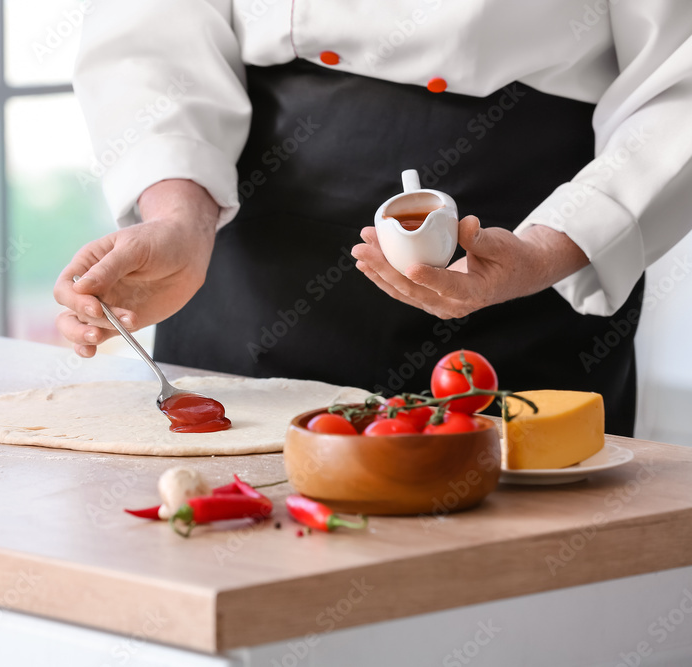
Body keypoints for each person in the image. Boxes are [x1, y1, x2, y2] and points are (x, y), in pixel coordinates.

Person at [54, 2, 692, 436]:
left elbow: (680, 83)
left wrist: (548, 251)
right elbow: (154, 27)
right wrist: (178, 217)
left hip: (523, 247)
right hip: (247, 256)